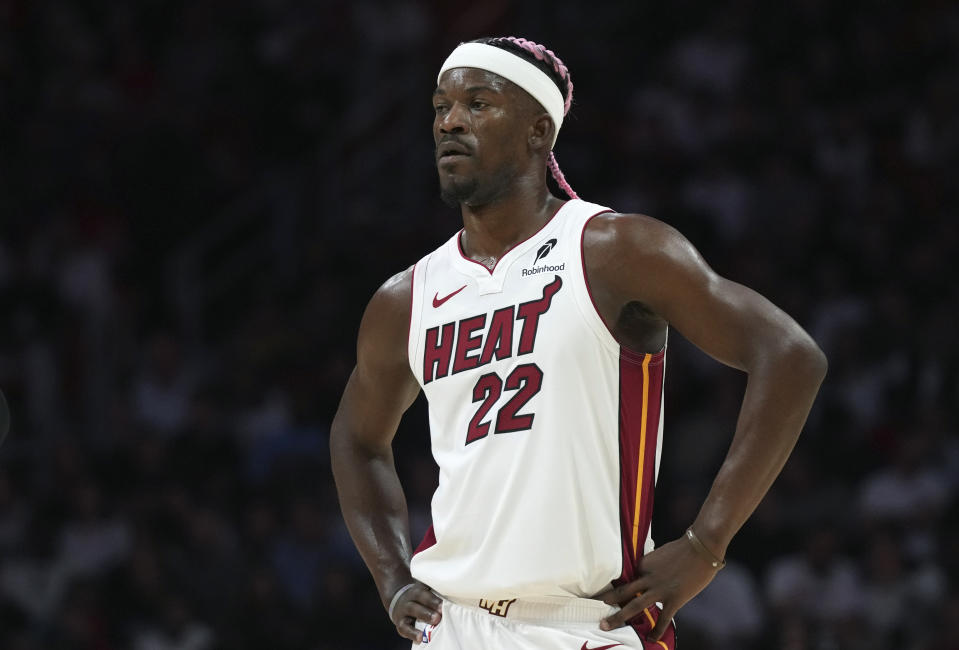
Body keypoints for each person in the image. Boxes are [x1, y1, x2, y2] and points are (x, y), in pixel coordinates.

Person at [331, 36, 827, 649]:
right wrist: (392, 578)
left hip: (588, 623)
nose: (450, 121)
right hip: (452, 624)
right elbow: (357, 438)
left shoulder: (615, 250)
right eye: (440, 107)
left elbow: (790, 355)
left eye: (478, 104)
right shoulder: (407, 297)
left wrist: (705, 543)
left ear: (539, 131)